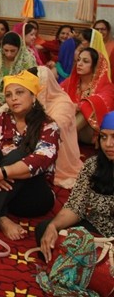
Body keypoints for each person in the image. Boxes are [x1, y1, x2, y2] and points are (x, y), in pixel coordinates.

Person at [0, 70, 59, 240]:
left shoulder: (48, 125)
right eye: (9, 95)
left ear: (33, 96)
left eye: (20, 93)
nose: (13, 98)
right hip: (5, 193)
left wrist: (2, 173)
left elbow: (40, 160)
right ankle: (1, 216)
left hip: (33, 198)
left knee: (20, 153)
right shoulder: (0, 119)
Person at [37, 110, 114, 261]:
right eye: (104, 137)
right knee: (44, 230)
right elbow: (75, 206)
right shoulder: (93, 165)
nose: (108, 144)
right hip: (96, 231)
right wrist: (54, 226)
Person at [34, 66, 82, 189]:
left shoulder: (63, 102)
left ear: (45, 83)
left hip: (59, 151)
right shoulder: (32, 99)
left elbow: (56, 127)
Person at [61, 44, 114, 144]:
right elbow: (56, 95)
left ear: (96, 66)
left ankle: (59, 138)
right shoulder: (70, 82)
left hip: (91, 133)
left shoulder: (107, 87)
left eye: (85, 61)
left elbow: (102, 104)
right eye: (79, 60)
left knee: (88, 106)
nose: (79, 64)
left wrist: (79, 106)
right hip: (68, 124)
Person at [0, 32, 37, 112]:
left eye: (12, 51)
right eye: (6, 50)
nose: (8, 54)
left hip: (19, 99)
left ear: (19, 49)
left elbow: (31, 85)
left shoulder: (27, 60)